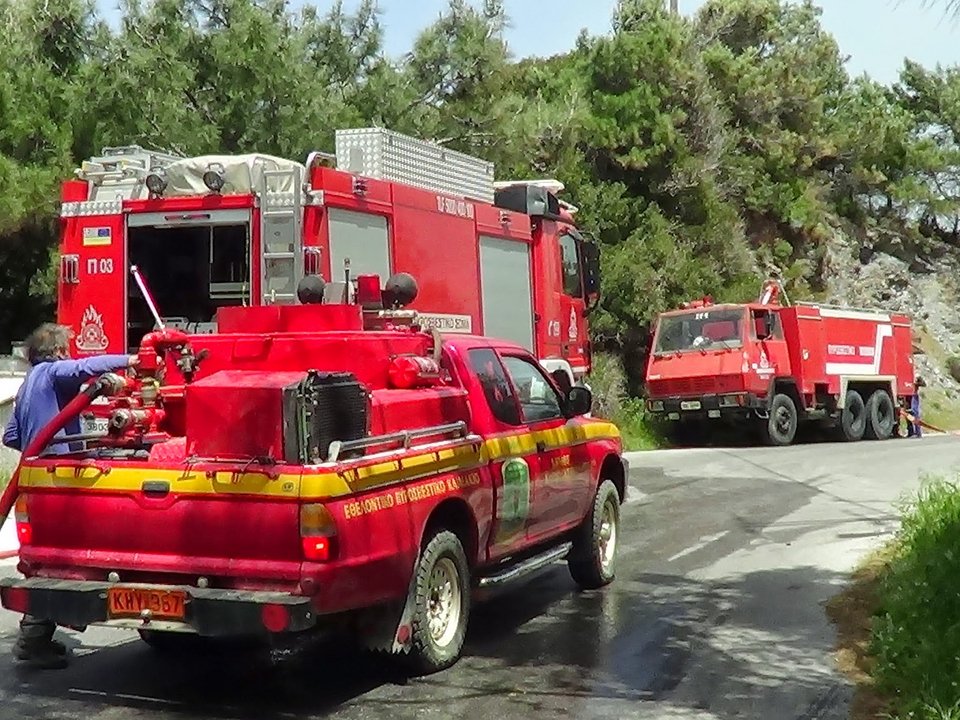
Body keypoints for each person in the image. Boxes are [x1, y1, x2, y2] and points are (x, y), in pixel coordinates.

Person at [2, 323, 137, 669]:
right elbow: (82, 368)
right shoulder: (53, 373)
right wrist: (131, 360)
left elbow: (11, 436)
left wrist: (39, 445)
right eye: (67, 350)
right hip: (62, 477)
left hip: (36, 477)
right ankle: (49, 626)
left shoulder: (27, 384)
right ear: (59, 351)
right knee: (74, 554)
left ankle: (35, 638)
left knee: (46, 558)